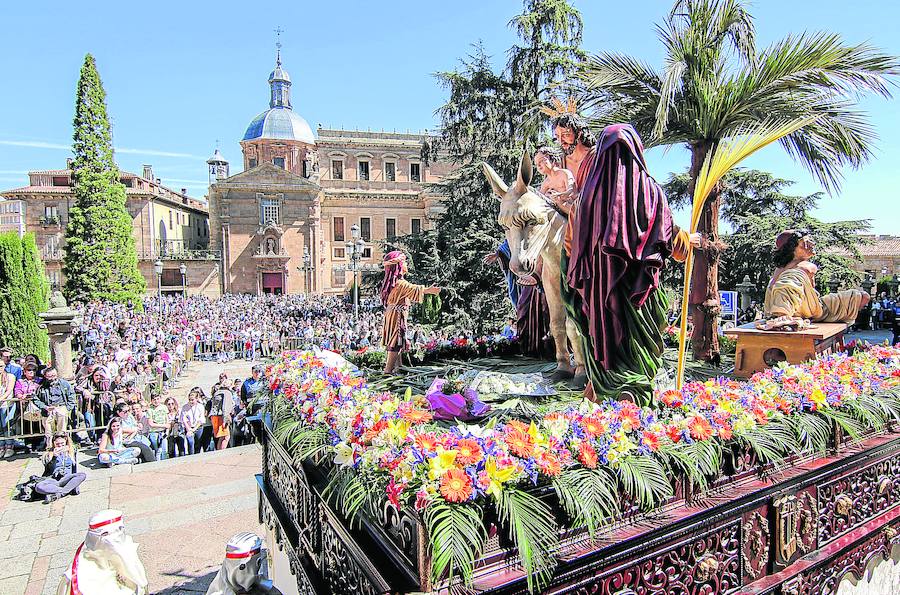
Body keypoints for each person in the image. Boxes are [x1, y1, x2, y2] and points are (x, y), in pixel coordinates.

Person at [561, 123, 697, 403]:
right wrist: (688, 241)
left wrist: (584, 275)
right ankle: (631, 396)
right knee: (640, 342)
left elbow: (569, 247)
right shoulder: (651, 192)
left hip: (600, 293)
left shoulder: (585, 199)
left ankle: (602, 389)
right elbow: (668, 237)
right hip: (638, 292)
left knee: (603, 335)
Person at [763, 230, 869, 324]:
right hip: (801, 310)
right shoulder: (804, 268)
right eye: (805, 243)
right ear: (792, 249)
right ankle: (784, 314)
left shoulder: (780, 269)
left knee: (861, 297)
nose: (812, 244)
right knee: (861, 297)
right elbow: (787, 286)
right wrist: (783, 314)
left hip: (813, 308)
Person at [380, 251, 441, 374]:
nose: (406, 264)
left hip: (393, 314)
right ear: (398, 265)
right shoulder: (400, 283)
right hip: (397, 315)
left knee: (398, 341)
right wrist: (430, 290)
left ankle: (399, 367)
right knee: (396, 341)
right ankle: (388, 371)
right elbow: (413, 288)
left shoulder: (395, 282)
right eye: (404, 262)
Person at [35, 433, 86, 504]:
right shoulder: (49, 454)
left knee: (82, 475)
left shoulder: (71, 451)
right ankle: (67, 490)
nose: (60, 446)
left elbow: (77, 445)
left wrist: (69, 448)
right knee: (39, 486)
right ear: (53, 444)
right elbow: (49, 469)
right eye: (57, 444)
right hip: (54, 479)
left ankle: (59, 494)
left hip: (67, 478)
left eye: (62, 443)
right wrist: (54, 457)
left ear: (66, 442)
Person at [33, 367, 76, 449]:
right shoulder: (41, 386)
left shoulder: (64, 383)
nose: (52, 378)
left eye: (54, 375)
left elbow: (71, 395)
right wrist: (45, 407)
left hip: (61, 407)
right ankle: (50, 449)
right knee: (49, 432)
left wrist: (68, 408)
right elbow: (35, 399)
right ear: (45, 376)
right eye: (50, 376)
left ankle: (63, 448)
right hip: (47, 409)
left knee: (62, 431)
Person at [208, 386, 235, 451]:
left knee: (221, 437)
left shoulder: (217, 393)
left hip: (214, 416)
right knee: (226, 437)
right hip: (221, 416)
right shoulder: (227, 393)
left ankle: (219, 452)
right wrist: (225, 419)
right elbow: (225, 406)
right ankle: (222, 453)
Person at [181, 388, 206, 455]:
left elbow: (201, 419)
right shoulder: (185, 407)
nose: (191, 401)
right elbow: (184, 419)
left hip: (198, 427)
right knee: (190, 443)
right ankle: (191, 456)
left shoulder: (200, 406)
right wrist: (189, 429)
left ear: (196, 399)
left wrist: (194, 429)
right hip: (189, 427)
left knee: (198, 444)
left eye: (192, 400)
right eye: (189, 400)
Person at [0, 360, 17, 457]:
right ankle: (1, 447)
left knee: (7, 425)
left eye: (1, 366)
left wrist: (1, 399)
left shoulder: (10, 376)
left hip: (6, 405)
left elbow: (9, 390)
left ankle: (9, 446)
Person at [145, 393, 169, 460]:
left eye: (158, 399)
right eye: (154, 399)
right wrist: (164, 425)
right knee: (158, 450)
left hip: (163, 431)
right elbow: (151, 424)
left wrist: (167, 430)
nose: (156, 401)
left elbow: (167, 420)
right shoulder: (150, 410)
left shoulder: (164, 407)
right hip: (154, 432)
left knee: (164, 450)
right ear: (151, 401)